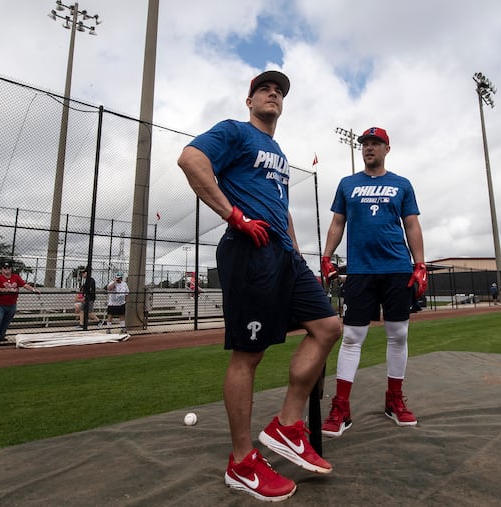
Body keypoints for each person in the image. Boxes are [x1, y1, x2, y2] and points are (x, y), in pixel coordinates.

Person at [177, 70, 342, 502]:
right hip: (248, 250)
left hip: (283, 253)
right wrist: (234, 216)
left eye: (280, 91)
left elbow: (282, 206)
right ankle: (241, 461)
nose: (274, 94)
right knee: (248, 355)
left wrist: (295, 248)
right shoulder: (234, 131)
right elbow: (191, 160)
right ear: (249, 100)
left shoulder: (279, 153)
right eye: (265, 89)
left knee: (328, 327)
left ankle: (287, 426)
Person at [320, 126, 428, 438]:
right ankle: (341, 407)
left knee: (398, 334)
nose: (369, 148)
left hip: (396, 268)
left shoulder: (401, 184)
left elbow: (412, 225)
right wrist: (327, 256)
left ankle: (393, 400)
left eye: (375, 143)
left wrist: (419, 264)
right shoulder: (347, 184)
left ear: (386, 149)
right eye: (365, 143)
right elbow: (337, 223)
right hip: (360, 270)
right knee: (352, 337)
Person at [0, 260, 38, 343]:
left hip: (12, 304)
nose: (7, 269)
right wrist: (5, 290)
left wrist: (33, 290)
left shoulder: (16, 277)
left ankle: (1, 336)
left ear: (11, 269)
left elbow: (24, 285)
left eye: (8, 268)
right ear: (1, 269)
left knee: (6, 321)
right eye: (5, 268)